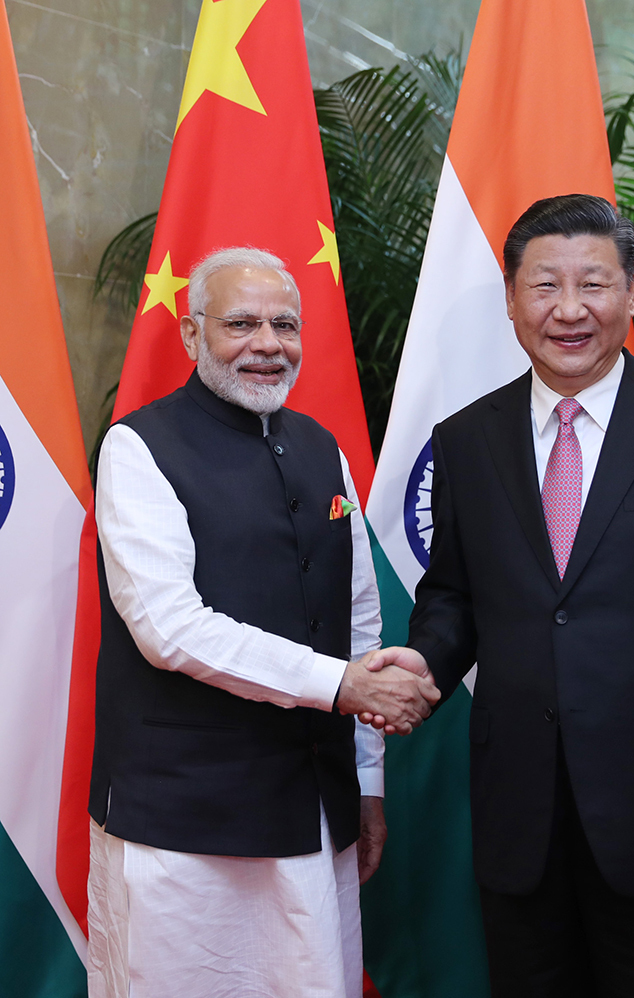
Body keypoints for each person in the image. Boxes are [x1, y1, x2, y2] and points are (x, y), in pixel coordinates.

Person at [366, 196, 634, 997]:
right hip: (520, 811)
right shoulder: (466, 440)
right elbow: (455, 593)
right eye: (544, 286)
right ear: (511, 299)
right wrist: (424, 660)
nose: (569, 310)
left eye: (593, 284)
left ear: (629, 293)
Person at [86, 246, 439, 998]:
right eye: (241, 323)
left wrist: (367, 783)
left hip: (314, 812)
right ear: (192, 334)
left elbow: (358, 620)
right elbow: (169, 628)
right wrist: (341, 685)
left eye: (286, 325)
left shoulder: (322, 448)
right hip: (183, 820)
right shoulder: (138, 446)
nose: (268, 344)